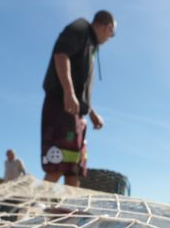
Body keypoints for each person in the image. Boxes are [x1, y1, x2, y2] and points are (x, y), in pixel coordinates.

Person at [41, 10, 116, 187]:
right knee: (58, 165)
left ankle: (67, 214)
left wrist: (91, 112)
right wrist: (68, 92)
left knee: (74, 170)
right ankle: (30, 210)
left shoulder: (91, 46)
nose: (110, 38)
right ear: (108, 27)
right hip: (62, 107)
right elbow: (61, 55)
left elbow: (80, 88)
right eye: (112, 33)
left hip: (77, 115)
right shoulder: (80, 28)